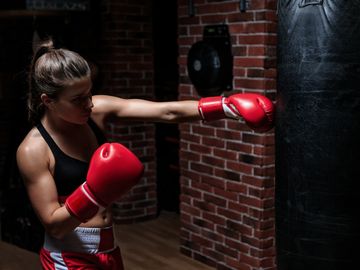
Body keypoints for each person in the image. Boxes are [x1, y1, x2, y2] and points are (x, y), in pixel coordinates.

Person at [16, 38, 275, 270]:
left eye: (89, 94)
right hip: (68, 257)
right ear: (48, 101)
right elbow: (54, 225)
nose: (90, 103)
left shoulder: (96, 112)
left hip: (109, 248)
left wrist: (225, 106)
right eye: (78, 99)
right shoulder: (33, 150)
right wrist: (94, 191)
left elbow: (166, 112)